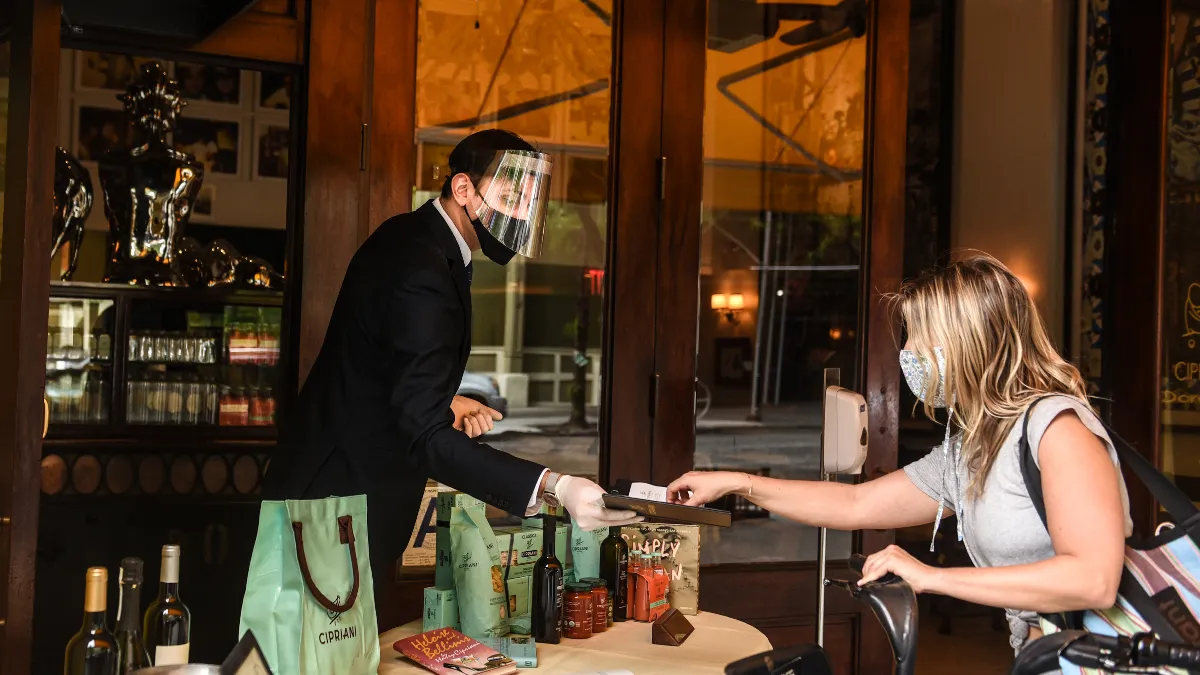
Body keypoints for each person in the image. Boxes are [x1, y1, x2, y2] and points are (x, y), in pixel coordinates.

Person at [667, 254, 1132, 652]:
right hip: (1043, 654)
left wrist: (930, 577)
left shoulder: (1057, 428)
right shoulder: (975, 446)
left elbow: (1093, 579)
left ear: (967, 341)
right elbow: (856, 503)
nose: (906, 351)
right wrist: (735, 482)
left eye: (918, 336)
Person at [263, 129, 639, 604]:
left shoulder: (415, 239)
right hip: (331, 505)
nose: (520, 212)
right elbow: (421, 434)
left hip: (340, 498)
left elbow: (380, 367)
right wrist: (554, 487)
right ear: (463, 189)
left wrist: (446, 403)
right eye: (509, 195)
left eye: (527, 199)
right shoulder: (421, 267)